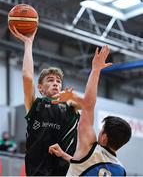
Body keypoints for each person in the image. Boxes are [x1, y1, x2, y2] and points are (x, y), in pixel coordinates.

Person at [9, 26, 84, 176]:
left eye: (58, 81)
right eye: (50, 80)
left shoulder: (70, 106)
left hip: (65, 173)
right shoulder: (35, 104)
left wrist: (71, 96)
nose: (56, 83)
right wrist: (28, 43)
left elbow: (87, 104)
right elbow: (27, 77)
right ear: (41, 88)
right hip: (37, 172)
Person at [49, 45, 132, 176]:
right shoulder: (121, 171)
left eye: (102, 130)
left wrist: (95, 70)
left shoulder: (90, 149)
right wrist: (64, 155)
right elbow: (86, 165)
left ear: (104, 137)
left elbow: (88, 105)